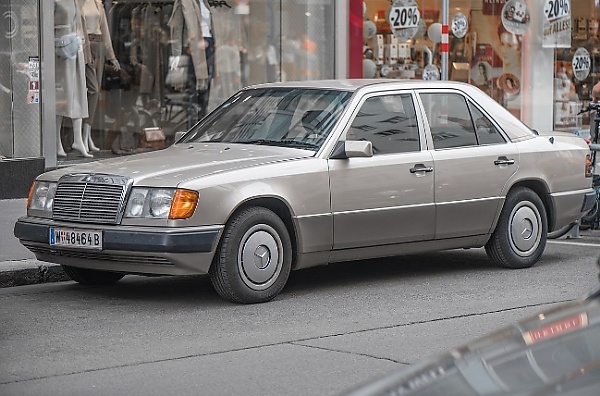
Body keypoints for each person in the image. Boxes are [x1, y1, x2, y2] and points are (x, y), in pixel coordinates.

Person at [80, 0, 120, 154]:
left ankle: (87, 133)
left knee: (94, 92)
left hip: (99, 47)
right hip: (85, 46)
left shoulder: (98, 3)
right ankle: (81, 135)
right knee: (89, 90)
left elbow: (105, 29)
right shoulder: (78, 3)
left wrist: (111, 56)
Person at [168, 0, 215, 119]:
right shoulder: (184, 2)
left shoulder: (205, 3)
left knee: (205, 89)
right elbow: (176, 29)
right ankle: (192, 125)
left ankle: (202, 121)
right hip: (194, 46)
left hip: (208, 44)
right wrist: (178, 55)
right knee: (192, 89)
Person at [55, 0, 90, 157]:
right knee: (62, 97)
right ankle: (56, 142)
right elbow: (47, 26)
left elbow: (80, 26)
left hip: (76, 50)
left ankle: (78, 140)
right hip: (60, 52)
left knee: (79, 95)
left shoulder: (77, 1)